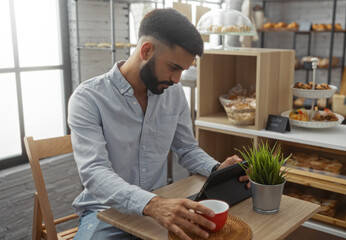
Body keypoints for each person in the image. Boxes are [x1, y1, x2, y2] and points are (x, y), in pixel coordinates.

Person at [68, 8, 249, 240]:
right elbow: (94, 173)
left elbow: (187, 149)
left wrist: (217, 169)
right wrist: (153, 204)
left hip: (163, 207)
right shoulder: (88, 98)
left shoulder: (173, 94)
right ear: (146, 51)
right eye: (174, 68)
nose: (177, 80)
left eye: (183, 70)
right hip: (104, 210)